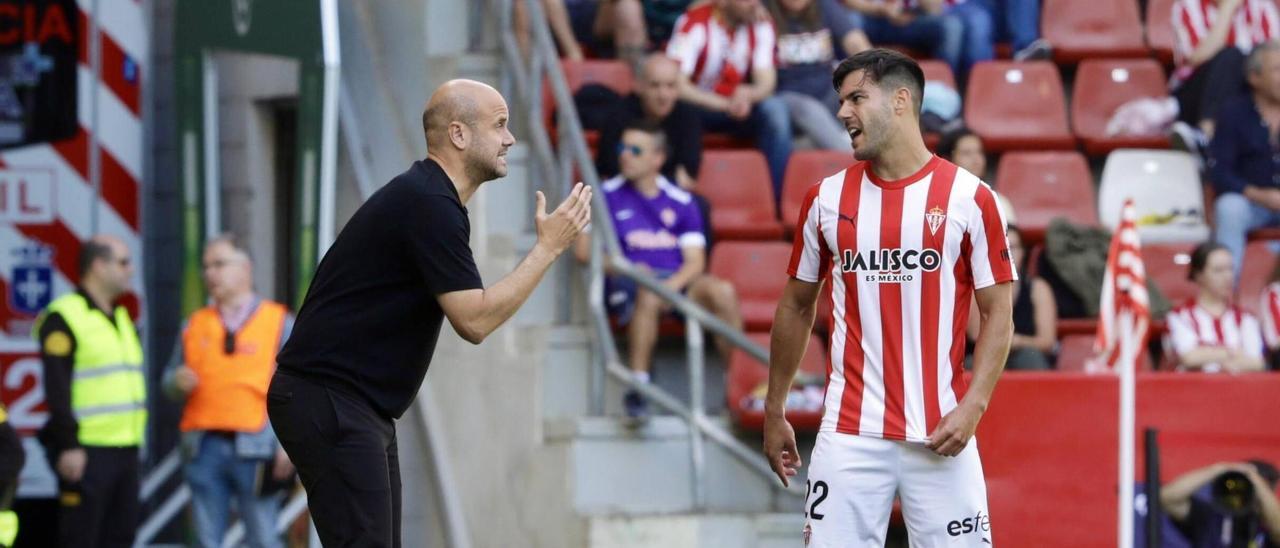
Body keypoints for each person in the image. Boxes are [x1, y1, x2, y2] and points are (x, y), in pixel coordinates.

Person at [268, 79, 590, 546]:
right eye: (499, 124)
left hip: (354, 404)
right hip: (331, 399)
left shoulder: (433, 200)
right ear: (458, 134)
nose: (511, 138)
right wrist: (548, 248)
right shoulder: (428, 204)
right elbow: (474, 321)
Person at [763, 49, 1015, 546]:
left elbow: (998, 314)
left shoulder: (972, 198)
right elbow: (795, 306)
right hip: (849, 432)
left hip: (942, 431)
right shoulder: (825, 200)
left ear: (901, 101)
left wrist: (973, 408)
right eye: (840, 100)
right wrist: (775, 410)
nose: (842, 113)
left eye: (857, 97)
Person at [575, 120, 742, 419]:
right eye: (622, 148)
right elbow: (584, 251)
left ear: (657, 158)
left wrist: (672, 286)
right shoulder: (602, 196)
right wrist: (621, 266)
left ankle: (738, 385)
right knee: (649, 293)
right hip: (632, 281)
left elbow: (695, 261)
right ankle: (638, 387)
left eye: (635, 150)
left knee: (723, 292)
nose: (625, 155)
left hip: (677, 282)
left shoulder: (681, 200)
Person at [162, 235, 294, 548]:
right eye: (206, 267)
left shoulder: (279, 322)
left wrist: (287, 445)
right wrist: (175, 382)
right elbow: (168, 381)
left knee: (264, 537)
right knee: (207, 541)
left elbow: (298, 391)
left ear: (245, 268)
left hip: (258, 448)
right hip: (203, 447)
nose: (210, 273)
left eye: (219, 264)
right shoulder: (194, 324)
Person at [34, 235, 145, 548]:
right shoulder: (64, 316)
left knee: (121, 537)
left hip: (126, 448)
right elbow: (56, 387)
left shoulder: (121, 317)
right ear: (98, 265)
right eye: (123, 262)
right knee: (81, 538)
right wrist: (68, 444)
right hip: (86, 451)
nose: (130, 271)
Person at [667, 0, 793, 199]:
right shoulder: (694, 22)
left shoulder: (760, 23)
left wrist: (749, 94)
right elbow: (677, 85)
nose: (755, 4)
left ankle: (777, 200)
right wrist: (725, 104)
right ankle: (684, 198)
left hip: (738, 108)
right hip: (699, 107)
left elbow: (766, 83)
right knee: (680, 109)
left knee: (775, 109)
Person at [1170, 0, 1280, 154]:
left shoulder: (1262, 5)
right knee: (1232, 57)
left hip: (1247, 92)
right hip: (1196, 94)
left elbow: (1274, 57)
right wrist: (1227, 10)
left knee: (1267, 72)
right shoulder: (1187, 6)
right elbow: (1197, 57)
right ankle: (1206, 133)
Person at [1210, 40, 1280, 276]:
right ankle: (1228, 294)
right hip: (1251, 203)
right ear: (1254, 77)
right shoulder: (1233, 112)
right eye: (1277, 69)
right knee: (1229, 208)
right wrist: (1259, 195)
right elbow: (1219, 172)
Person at [767, 0, 867, 151]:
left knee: (864, 90)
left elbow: (855, 42)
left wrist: (876, 69)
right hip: (787, 96)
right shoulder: (762, 11)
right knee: (809, 109)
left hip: (827, 90)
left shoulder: (825, 6)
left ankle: (807, 145)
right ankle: (852, 157)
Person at [596, 54, 704, 188]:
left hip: (668, 194)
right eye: (655, 86)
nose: (663, 95)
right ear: (638, 85)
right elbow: (608, 168)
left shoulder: (688, 117)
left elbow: (688, 174)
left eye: (670, 86)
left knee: (700, 205)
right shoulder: (618, 115)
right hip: (625, 193)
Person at [1165, 242, 1266, 373]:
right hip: (1193, 390)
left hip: (1238, 390)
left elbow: (1257, 363)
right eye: (1218, 270)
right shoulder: (1180, 316)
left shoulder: (1245, 318)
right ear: (1198, 275)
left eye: (1230, 269)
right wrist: (1233, 353)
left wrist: (1208, 355)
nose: (1227, 277)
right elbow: (1188, 357)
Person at [966, 226, 1055, 370]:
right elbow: (975, 334)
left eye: (1013, 247)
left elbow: (1047, 341)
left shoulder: (1038, 289)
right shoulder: (976, 287)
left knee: (1030, 358)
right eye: (1001, 246)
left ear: (1024, 252)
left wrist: (1016, 342)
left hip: (1026, 358)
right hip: (986, 356)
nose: (1008, 253)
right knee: (975, 364)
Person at [1161, 460, 1280, 547]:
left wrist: (1255, 479)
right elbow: (1167, 498)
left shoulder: (1267, 528)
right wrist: (1218, 470)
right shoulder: (1212, 517)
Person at [840, 0, 964, 81]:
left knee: (951, 26)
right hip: (870, 18)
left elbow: (935, 10)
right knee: (849, 21)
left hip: (912, 20)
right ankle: (855, 87)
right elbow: (848, 3)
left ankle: (943, 92)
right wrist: (880, 10)